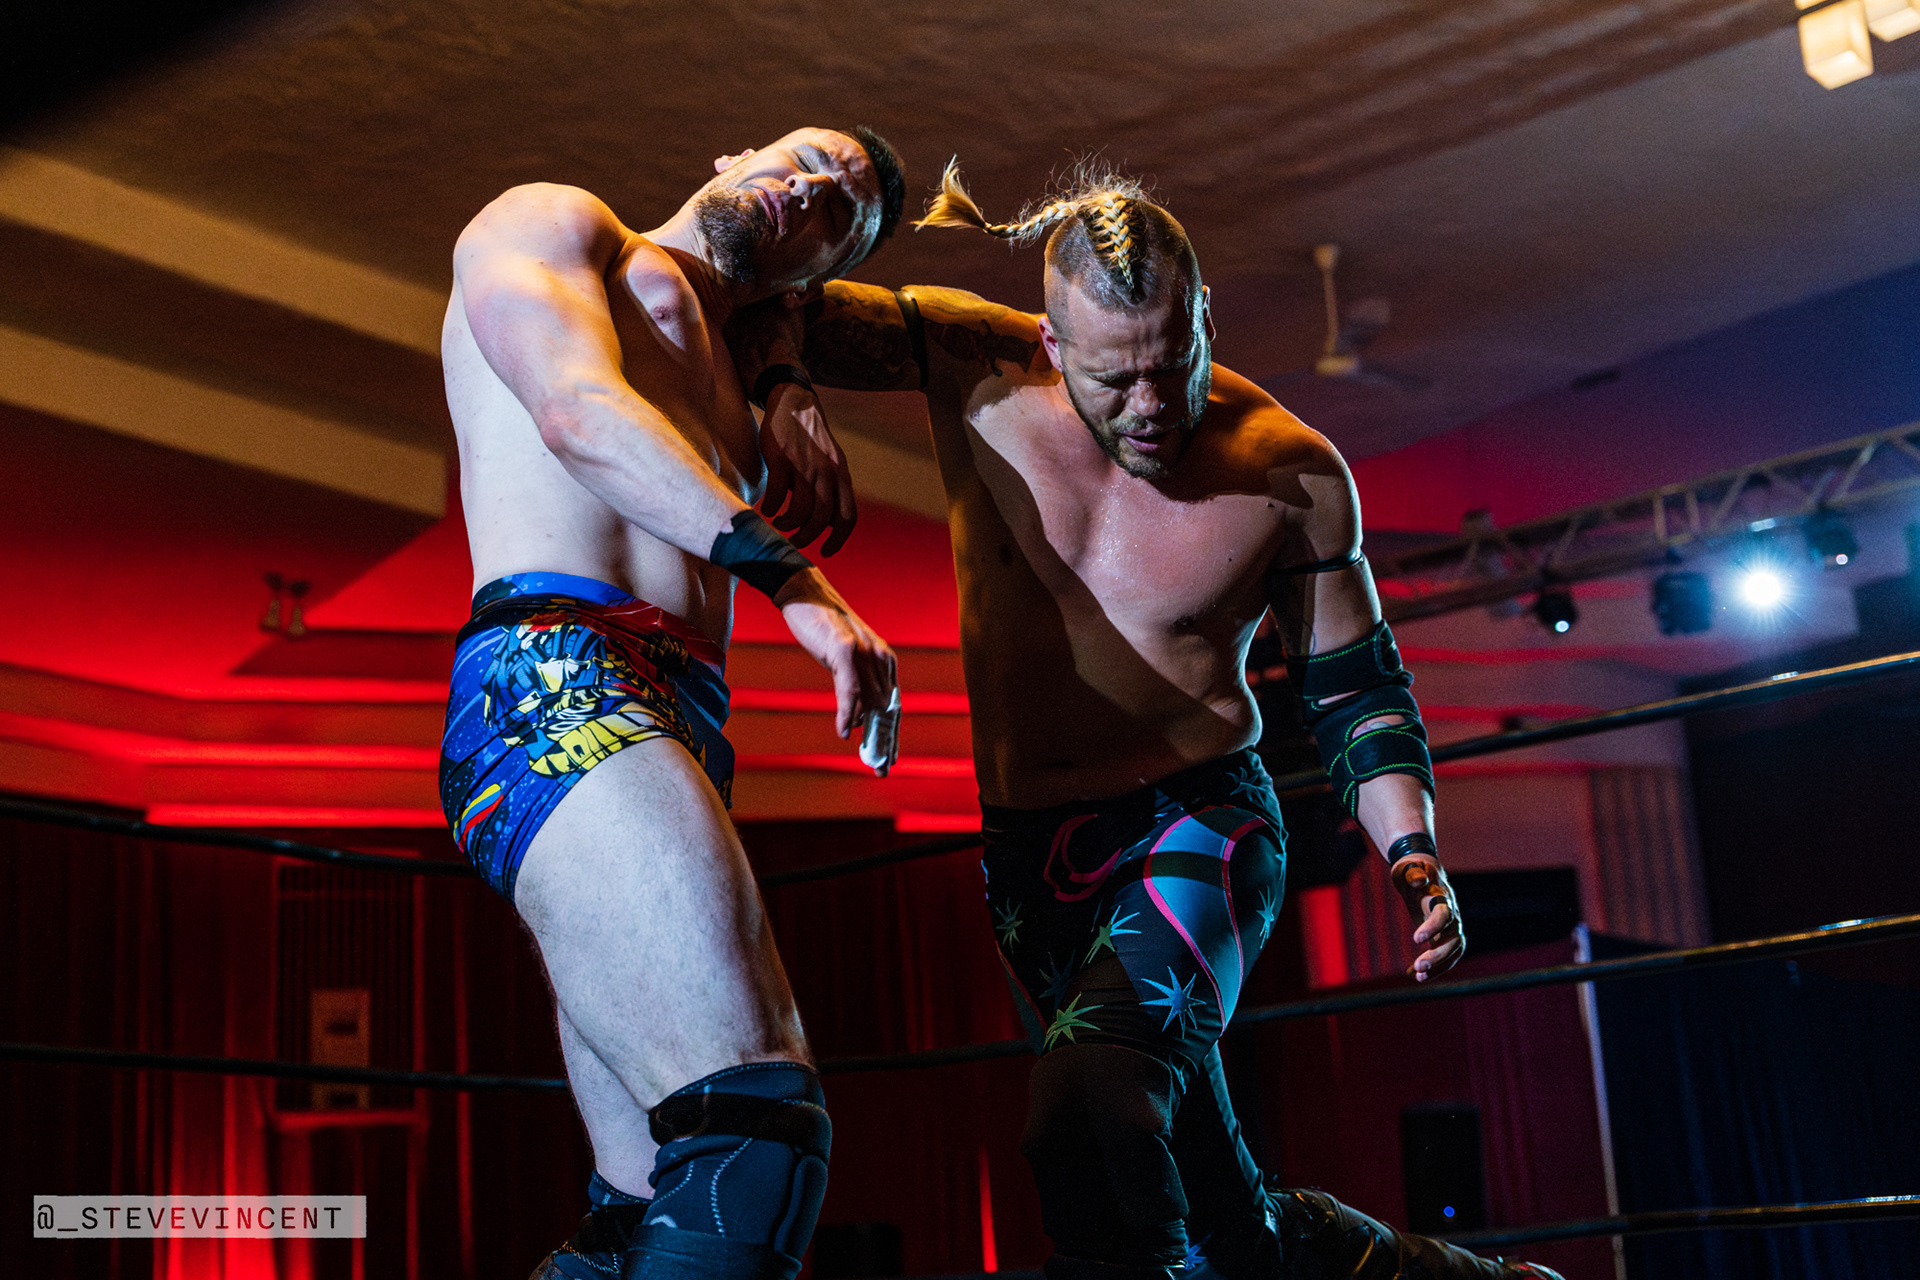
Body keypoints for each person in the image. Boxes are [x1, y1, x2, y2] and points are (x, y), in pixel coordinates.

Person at [733, 162, 1564, 1280]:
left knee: (1086, 1112)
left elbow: (1354, 686)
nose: (1151, 406)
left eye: (1172, 365)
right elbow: (749, 293)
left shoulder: (1290, 472)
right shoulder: (970, 359)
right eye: (1114, 378)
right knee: (1222, 1218)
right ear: (1050, 342)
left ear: (1205, 317)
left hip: (1200, 825)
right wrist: (786, 387)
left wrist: (1411, 851)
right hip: (1029, 856)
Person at [436, 126, 905, 1280]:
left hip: (680, 714)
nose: (807, 188)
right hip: (559, 670)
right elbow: (577, 409)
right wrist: (795, 583)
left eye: (839, 212)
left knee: (639, 1204)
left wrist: (784, 373)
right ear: (737, 151)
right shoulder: (558, 222)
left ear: (821, 271)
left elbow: (783, 306)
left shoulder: (743, 363)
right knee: (755, 1135)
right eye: (804, 157)